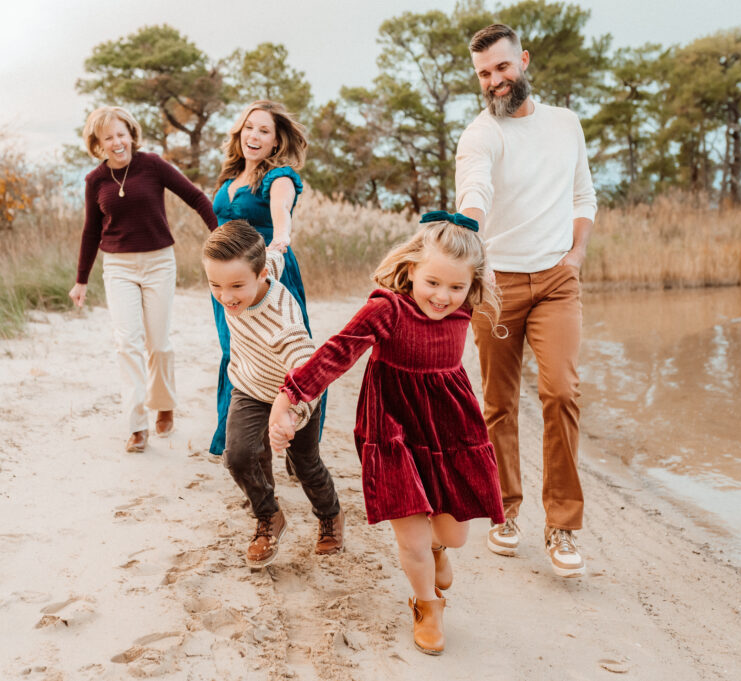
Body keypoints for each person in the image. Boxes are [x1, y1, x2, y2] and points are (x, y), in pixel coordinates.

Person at [268, 213, 505, 656]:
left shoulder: (467, 308)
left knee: (453, 534)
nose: (442, 296)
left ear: (471, 285)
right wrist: (291, 398)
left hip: (449, 427)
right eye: (433, 282)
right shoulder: (388, 309)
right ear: (411, 268)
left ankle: (438, 549)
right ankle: (427, 605)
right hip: (391, 425)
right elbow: (336, 352)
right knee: (410, 537)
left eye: (456, 287)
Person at [455, 24, 597, 578]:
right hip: (498, 285)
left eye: (502, 68)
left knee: (561, 390)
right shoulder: (479, 134)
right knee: (498, 403)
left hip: (558, 280)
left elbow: (583, 193)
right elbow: (476, 189)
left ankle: (562, 523)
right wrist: (468, 229)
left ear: (524, 61)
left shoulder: (565, 124)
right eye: (485, 73)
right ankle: (503, 511)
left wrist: (577, 253)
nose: (494, 81)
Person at [69, 106, 217, 453]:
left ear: (131, 134)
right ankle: (136, 426)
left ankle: (164, 402)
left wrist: (219, 234)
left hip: (159, 263)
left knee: (159, 343)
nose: (117, 142)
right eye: (109, 138)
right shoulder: (95, 180)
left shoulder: (152, 165)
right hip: (118, 266)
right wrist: (81, 280)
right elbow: (91, 231)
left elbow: (195, 197)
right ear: (98, 143)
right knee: (127, 344)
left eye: (121, 134)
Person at [203, 219, 343, 568]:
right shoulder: (259, 267)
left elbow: (311, 373)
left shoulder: (284, 321)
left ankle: (331, 516)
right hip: (249, 388)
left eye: (236, 285)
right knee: (238, 456)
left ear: (261, 275)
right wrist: (280, 241)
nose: (226, 296)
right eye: (215, 285)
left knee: (304, 463)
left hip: (298, 396)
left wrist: (289, 416)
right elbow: (275, 255)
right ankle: (269, 517)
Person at [209, 100, 323, 458]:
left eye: (264, 131)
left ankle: (298, 441)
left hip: (269, 270)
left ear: (276, 142)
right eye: (249, 128)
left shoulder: (280, 176)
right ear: (239, 132)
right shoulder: (231, 177)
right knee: (236, 352)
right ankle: (236, 438)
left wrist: (281, 237)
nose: (254, 136)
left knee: (288, 352)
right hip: (228, 277)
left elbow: (281, 210)